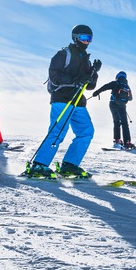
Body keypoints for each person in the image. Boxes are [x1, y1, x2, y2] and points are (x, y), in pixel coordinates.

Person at [28, 25, 101, 178]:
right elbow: (54, 75)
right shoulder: (63, 54)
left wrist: (94, 72)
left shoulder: (86, 60)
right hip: (62, 99)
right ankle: (39, 166)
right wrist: (76, 81)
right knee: (58, 131)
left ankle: (69, 165)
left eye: (89, 39)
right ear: (75, 37)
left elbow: (90, 86)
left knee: (86, 132)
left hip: (78, 102)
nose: (87, 42)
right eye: (83, 38)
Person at [92, 71, 136, 150]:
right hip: (122, 107)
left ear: (118, 76)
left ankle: (117, 141)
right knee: (125, 124)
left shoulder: (115, 83)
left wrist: (97, 92)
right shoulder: (127, 86)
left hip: (113, 105)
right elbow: (130, 99)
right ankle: (127, 142)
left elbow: (105, 87)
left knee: (116, 122)